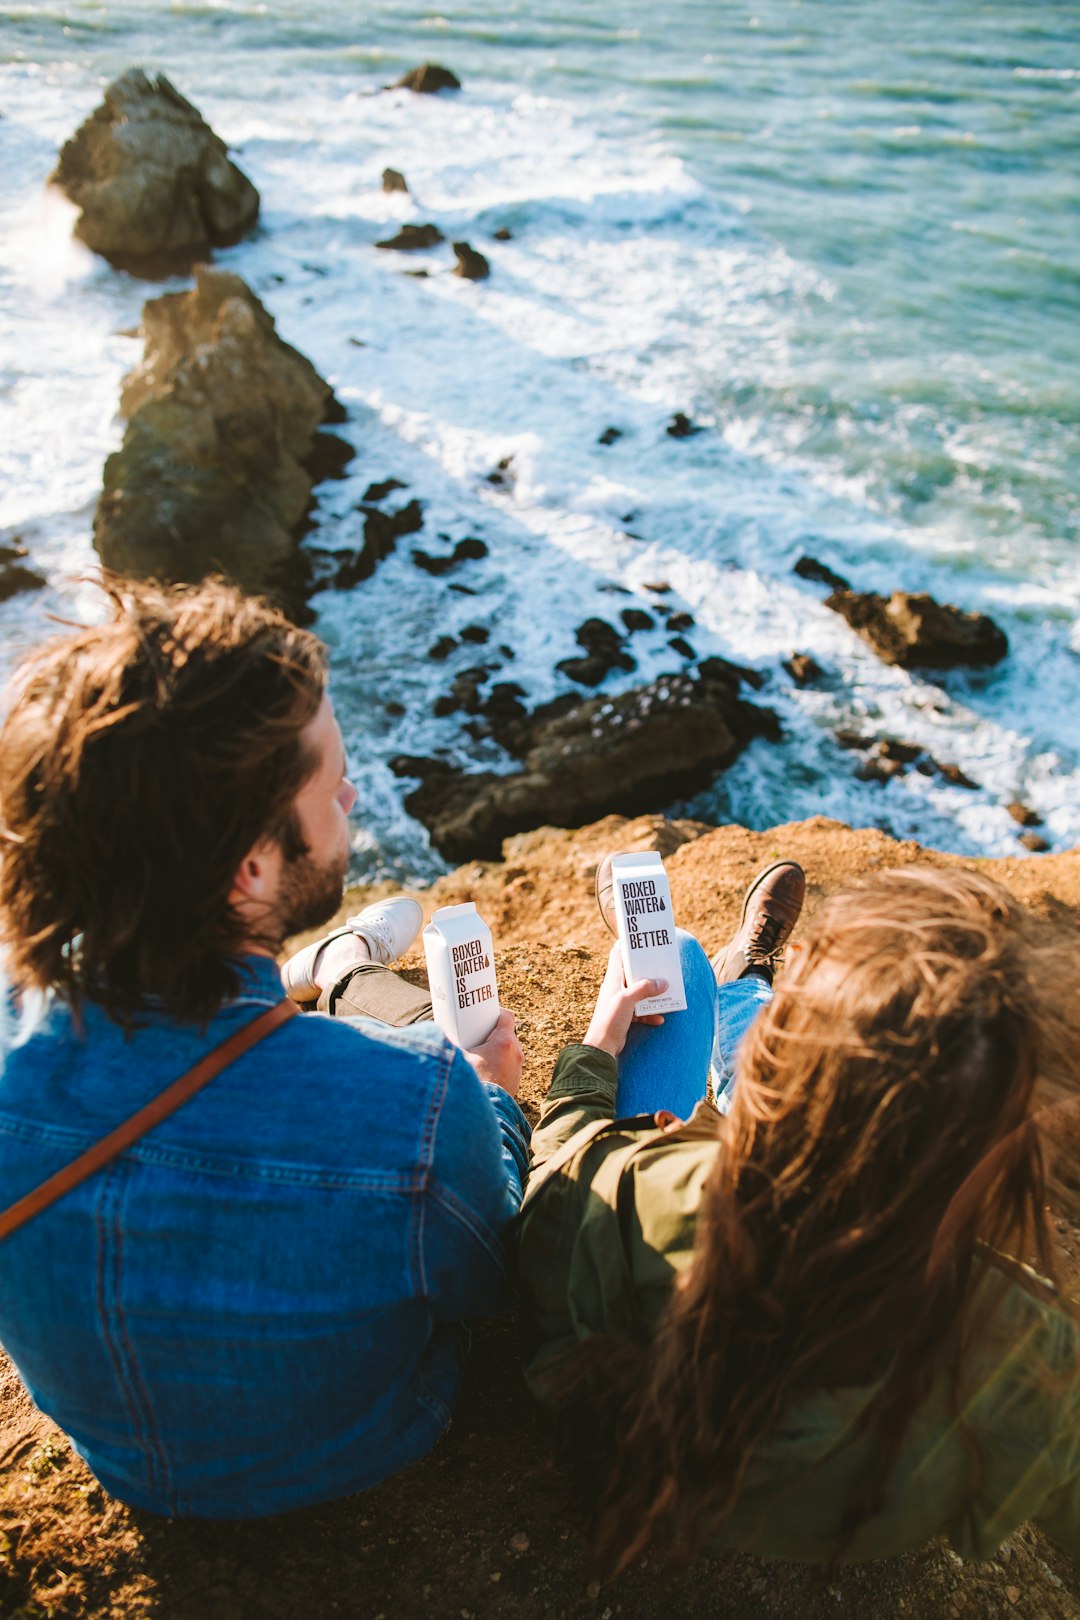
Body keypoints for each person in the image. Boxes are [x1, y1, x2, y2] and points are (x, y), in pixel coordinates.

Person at [0, 576, 528, 1519]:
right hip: (361, 1443)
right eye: (331, 783)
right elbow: (488, 1283)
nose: (353, 794)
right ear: (250, 865)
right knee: (448, 1072)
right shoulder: (417, 1104)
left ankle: (310, 974)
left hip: (123, 1461)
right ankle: (338, 974)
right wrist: (489, 1091)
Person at [515, 860, 1080, 1570]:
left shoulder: (666, 1191)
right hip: (834, 1532)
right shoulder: (1031, 1353)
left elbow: (544, 1206)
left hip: (649, 1424)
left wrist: (595, 1048)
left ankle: (750, 991)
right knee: (787, 1046)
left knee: (680, 961)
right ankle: (753, 984)